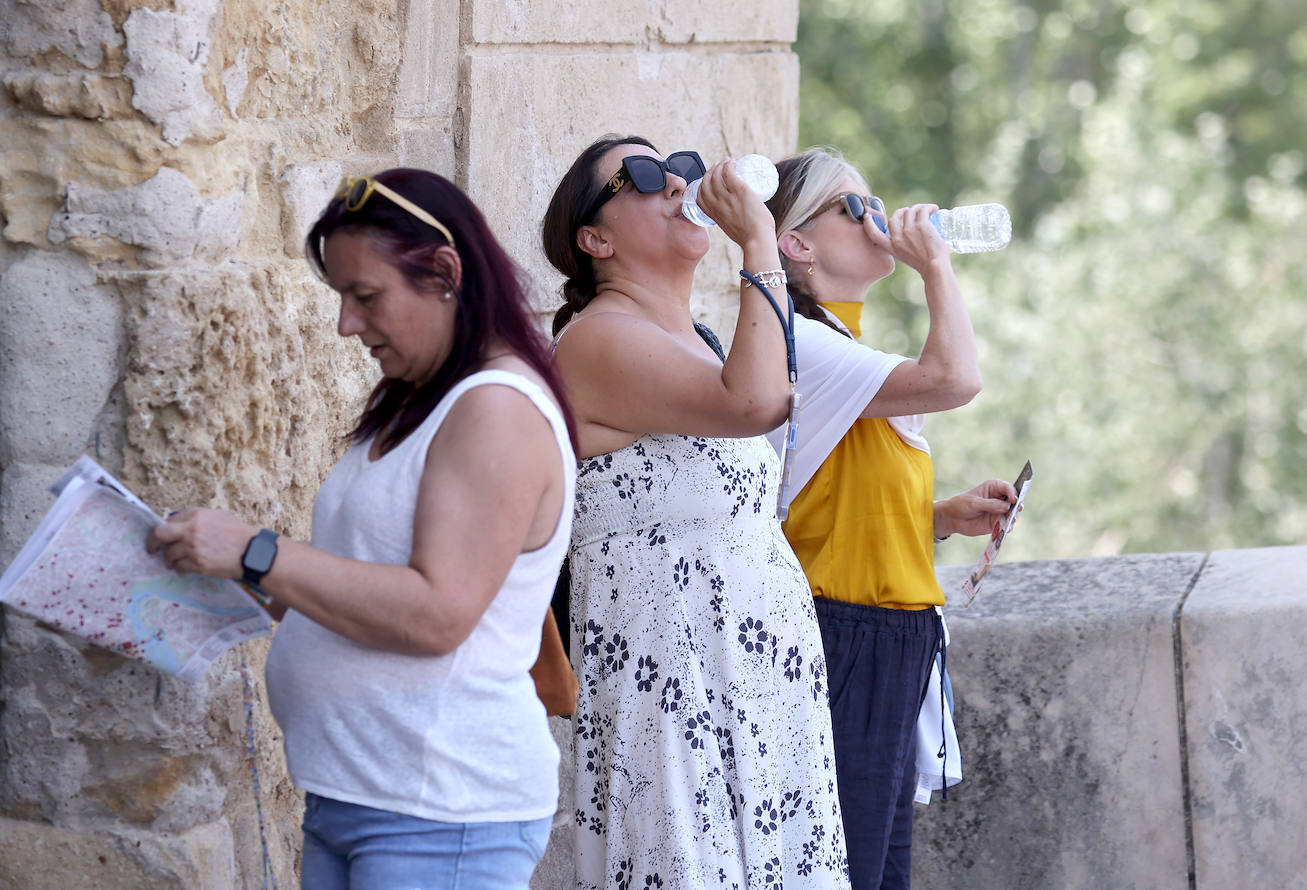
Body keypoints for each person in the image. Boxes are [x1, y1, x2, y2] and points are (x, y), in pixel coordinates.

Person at [146, 168, 576, 890]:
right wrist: (242, 576)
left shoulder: (496, 411)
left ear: (443, 273)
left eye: (365, 296)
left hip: (441, 809)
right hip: (365, 794)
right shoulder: (423, 399)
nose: (347, 323)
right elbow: (368, 577)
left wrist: (262, 553)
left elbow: (438, 614)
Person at [542, 136, 850, 888]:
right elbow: (755, 402)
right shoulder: (597, 339)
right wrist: (757, 240)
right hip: (671, 677)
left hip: (752, 678)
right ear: (596, 238)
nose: (678, 181)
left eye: (680, 165)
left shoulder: (702, 340)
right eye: (643, 176)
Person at [763, 147, 1019, 890]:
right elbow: (955, 378)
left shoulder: (839, 347)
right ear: (796, 244)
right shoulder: (799, 340)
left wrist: (936, 518)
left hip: (884, 634)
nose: (877, 216)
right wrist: (937, 265)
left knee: (876, 874)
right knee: (848, 871)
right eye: (852, 207)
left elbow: (830, 496)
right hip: (845, 634)